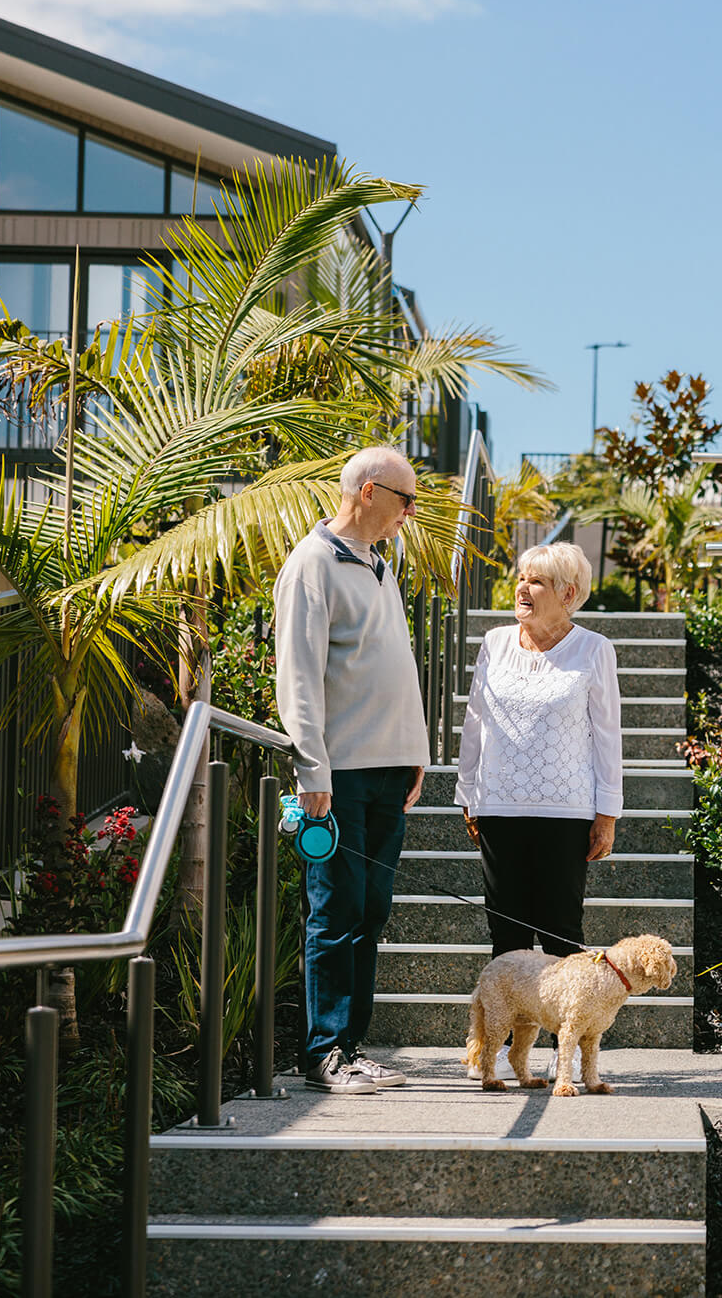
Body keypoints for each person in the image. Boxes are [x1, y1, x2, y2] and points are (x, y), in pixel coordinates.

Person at [273, 445, 430, 1094]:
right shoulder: (312, 563)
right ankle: (322, 1054)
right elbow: (299, 675)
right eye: (405, 499)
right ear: (368, 493)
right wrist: (312, 770)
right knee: (334, 911)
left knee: (370, 910)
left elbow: (394, 666)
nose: (410, 512)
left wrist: (415, 755)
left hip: (389, 771)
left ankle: (352, 1045)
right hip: (338, 776)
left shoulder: (379, 567)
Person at [455, 542, 622, 1077]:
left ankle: (564, 1054)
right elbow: (475, 722)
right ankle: (507, 1055)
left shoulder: (594, 649)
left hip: (566, 810)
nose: (522, 589)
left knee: (559, 930)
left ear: (568, 594)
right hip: (500, 806)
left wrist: (607, 812)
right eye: (521, 578)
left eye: (538, 582)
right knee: (507, 937)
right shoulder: (495, 643)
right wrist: (467, 791)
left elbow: (607, 738)